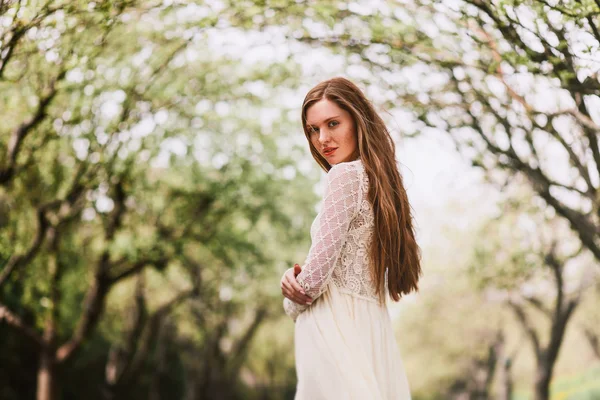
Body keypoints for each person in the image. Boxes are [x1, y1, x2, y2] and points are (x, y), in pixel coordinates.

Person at [280, 77, 422, 399]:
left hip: (335, 328)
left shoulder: (344, 177)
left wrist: (289, 293)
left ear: (357, 121)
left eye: (333, 124)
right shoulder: (381, 185)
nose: (323, 138)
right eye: (314, 129)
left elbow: (311, 284)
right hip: (370, 329)